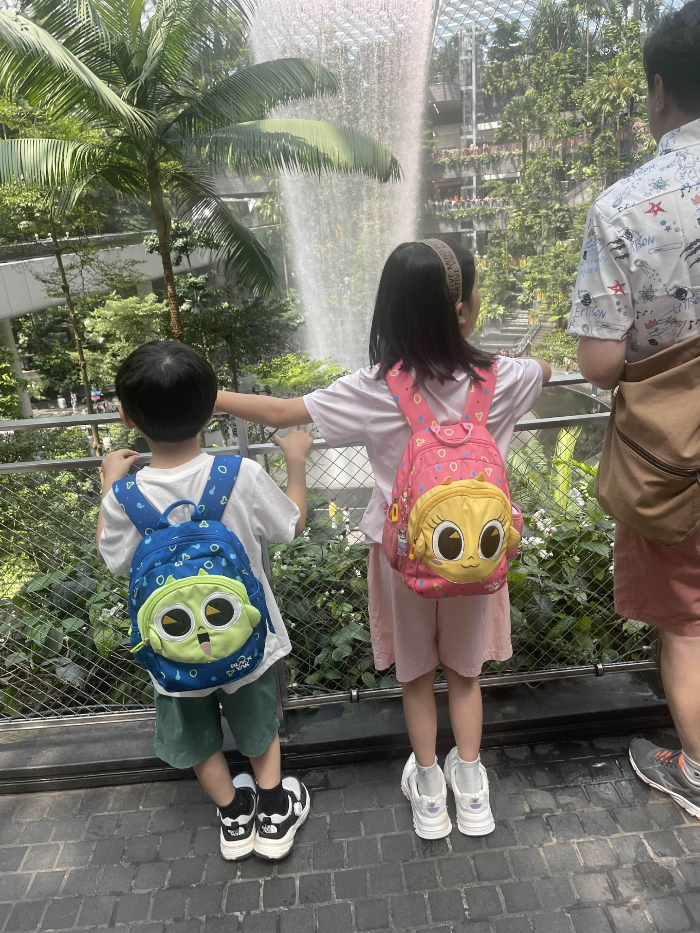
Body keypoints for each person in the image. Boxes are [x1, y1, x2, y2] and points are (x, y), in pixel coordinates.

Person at [216, 239, 551, 840]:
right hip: (475, 555)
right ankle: (472, 791)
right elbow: (545, 370)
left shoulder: (373, 388)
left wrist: (203, 394)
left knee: (417, 676)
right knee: (465, 676)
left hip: (402, 557)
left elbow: (280, 413)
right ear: (462, 310)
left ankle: (430, 796)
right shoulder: (505, 377)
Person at [96, 341, 314, 860]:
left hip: (173, 653)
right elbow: (291, 526)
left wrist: (109, 482)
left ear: (127, 417)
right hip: (246, 640)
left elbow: (114, 559)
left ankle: (234, 818)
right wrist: (296, 462)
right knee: (259, 724)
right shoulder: (239, 475)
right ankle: (275, 812)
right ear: (211, 407)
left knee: (196, 736)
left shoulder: (125, 497)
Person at [567, 0, 700, 821]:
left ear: (659, 88)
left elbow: (599, 362)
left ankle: (696, 769)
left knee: (688, 623)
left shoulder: (626, 205)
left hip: (675, 454)